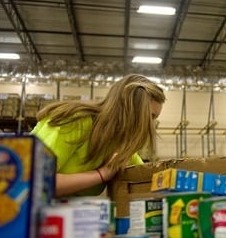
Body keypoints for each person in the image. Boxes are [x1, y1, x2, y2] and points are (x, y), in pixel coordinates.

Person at [31, 74, 166, 197]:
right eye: (150, 116)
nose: (151, 124)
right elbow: (34, 181)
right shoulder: (75, 122)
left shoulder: (120, 144)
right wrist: (102, 174)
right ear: (131, 110)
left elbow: (147, 178)